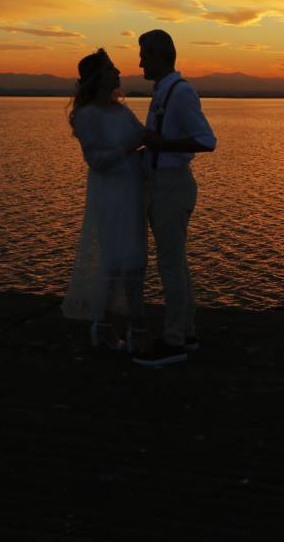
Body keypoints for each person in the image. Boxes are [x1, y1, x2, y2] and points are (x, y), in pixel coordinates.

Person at [132, 30, 217, 367]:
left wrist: (159, 145)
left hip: (172, 186)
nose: (139, 62)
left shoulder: (180, 94)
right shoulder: (165, 92)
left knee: (169, 264)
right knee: (175, 262)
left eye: (143, 55)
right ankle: (187, 332)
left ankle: (173, 341)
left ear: (159, 56)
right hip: (164, 184)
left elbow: (207, 140)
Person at [61, 49, 147, 352]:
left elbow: (143, 136)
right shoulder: (87, 116)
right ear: (98, 77)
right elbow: (96, 160)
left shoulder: (121, 110)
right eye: (111, 68)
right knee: (115, 262)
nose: (118, 72)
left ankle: (132, 327)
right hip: (110, 196)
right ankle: (109, 325)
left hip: (133, 191)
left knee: (136, 259)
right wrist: (130, 147)